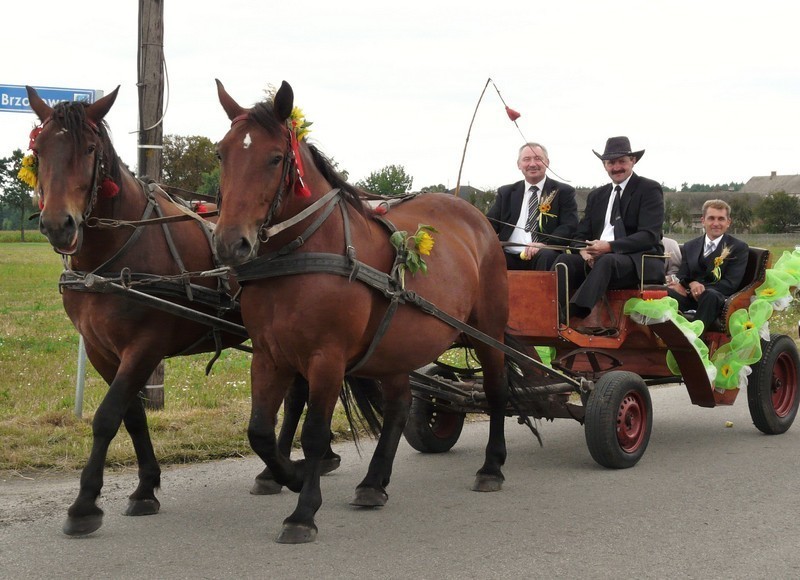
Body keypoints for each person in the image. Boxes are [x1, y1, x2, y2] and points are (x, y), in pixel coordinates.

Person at [552, 136, 665, 320]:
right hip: (596, 258)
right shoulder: (597, 196)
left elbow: (649, 235)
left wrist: (609, 247)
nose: (616, 167)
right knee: (563, 260)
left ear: (633, 161)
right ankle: (551, 312)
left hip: (639, 260)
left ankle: (573, 314)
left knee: (607, 261)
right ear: (605, 165)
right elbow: (580, 234)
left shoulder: (649, 189)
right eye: (611, 163)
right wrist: (584, 250)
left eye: (622, 161)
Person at [487, 142, 578, 271]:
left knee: (547, 256)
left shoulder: (563, 192)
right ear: (519, 165)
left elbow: (569, 226)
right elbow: (489, 224)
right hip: (508, 255)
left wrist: (544, 244)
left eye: (538, 158)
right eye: (526, 159)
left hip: (543, 254)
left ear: (547, 162)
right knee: (489, 257)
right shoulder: (506, 193)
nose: (532, 164)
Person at [666, 199, 749, 331]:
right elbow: (683, 274)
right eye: (711, 218)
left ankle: (695, 339)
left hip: (719, 299)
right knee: (664, 293)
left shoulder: (738, 248)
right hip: (690, 297)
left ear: (728, 222)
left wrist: (701, 288)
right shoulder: (690, 246)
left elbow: (731, 284)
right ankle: (665, 337)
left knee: (710, 295)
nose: (716, 223)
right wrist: (691, 285)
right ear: (703, 220)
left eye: (721, 219)